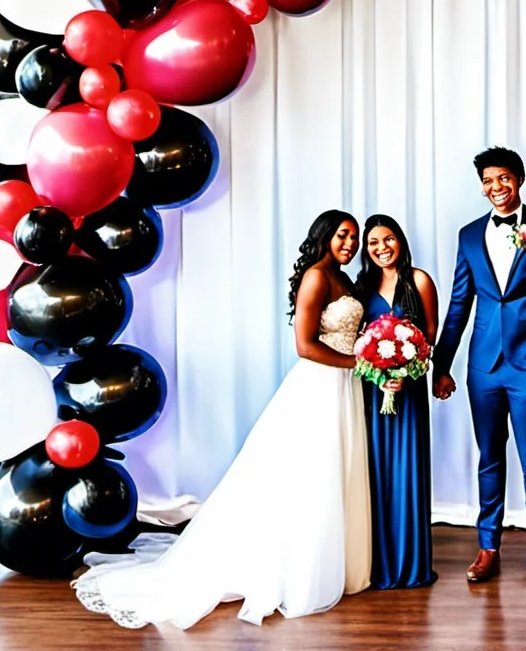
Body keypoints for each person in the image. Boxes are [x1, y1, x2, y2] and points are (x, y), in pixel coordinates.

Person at [73, 210, 371, 629]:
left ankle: (335, 561)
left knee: (334, 470)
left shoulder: (344, 278)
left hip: (344, 386)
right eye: (343, 235)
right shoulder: (318, 277)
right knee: (310, 474)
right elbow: (305, 345)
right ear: (323, 236)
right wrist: (359, 360)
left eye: (354, 238)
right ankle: (300, 569)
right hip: (321, 384)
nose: (350, 244)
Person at [432, 147, 526, 589]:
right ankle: (488, 547)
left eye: (505, 178)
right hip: (483, 366)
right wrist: (443, 363)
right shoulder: (469, 236)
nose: (497, 187)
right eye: (489, 180)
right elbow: (459, 304)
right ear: (482, 185)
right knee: (489, 458)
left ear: (519, 180)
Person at [356, 214, 439, 589]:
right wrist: (380, 375)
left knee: (407, 470)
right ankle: (376, 562)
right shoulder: (361, 286)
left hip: (409, 391)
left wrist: (405, 373)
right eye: (373, 243)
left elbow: (430, 335)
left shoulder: (418, 280)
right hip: (373, 392)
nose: (381, 248)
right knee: (373, 472)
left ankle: (411, 562)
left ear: (400, 241)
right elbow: (357, 341)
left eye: (387, 239)